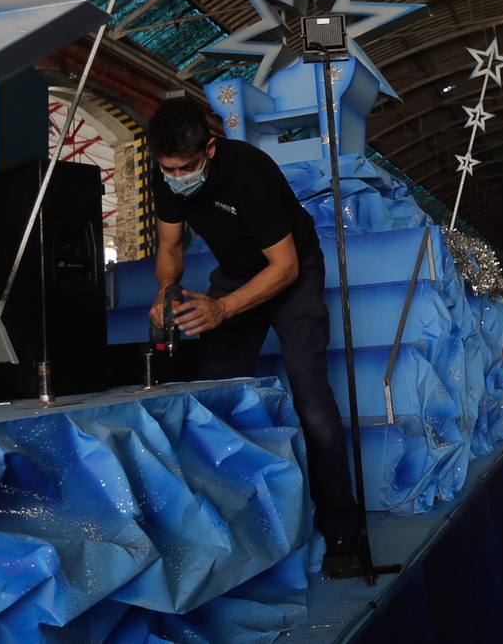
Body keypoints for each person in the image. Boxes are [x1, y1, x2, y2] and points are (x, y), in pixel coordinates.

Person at [146, 99, 363, 576]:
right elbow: (169, 245)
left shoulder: (250, 172)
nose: (177, 176)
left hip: (293, 273)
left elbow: (283, 267)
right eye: (169, 169)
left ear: (211, 146)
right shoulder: (165, 171)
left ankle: (344, 529)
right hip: (237, 271)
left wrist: (221, 307)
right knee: (214, 393)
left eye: (186, 167)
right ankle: (234, 523)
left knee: (312, 399)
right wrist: (168, 292)